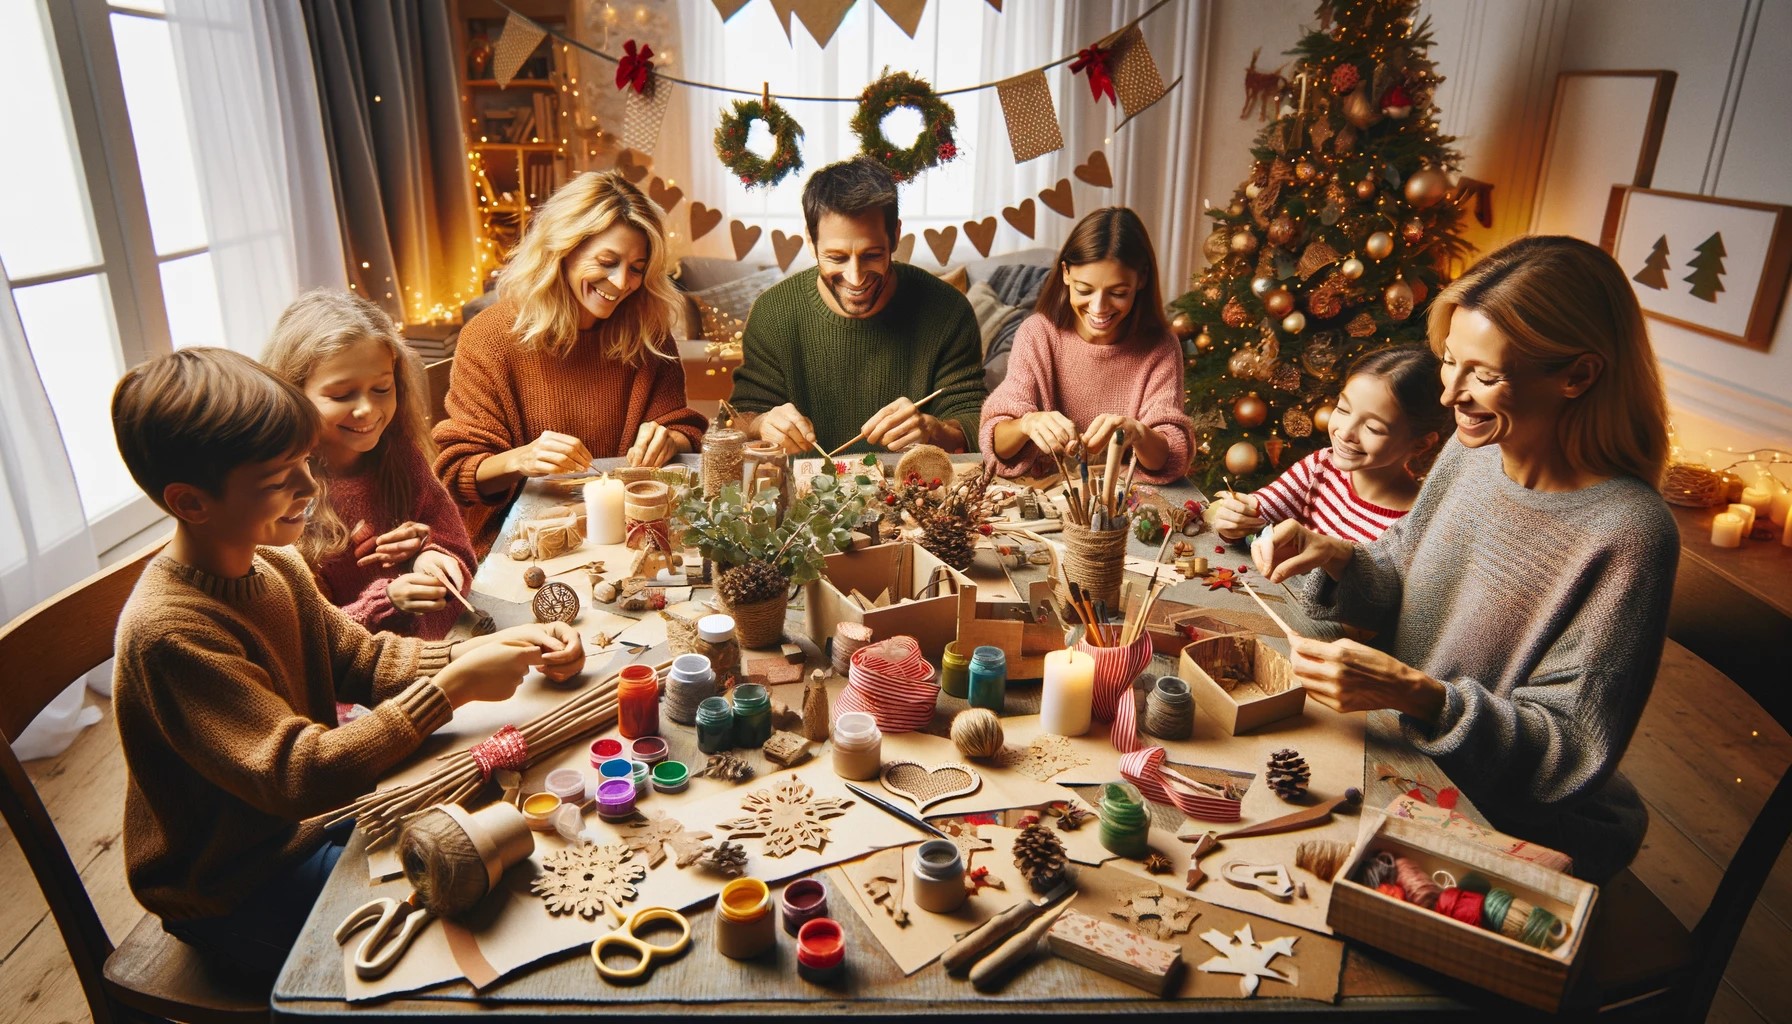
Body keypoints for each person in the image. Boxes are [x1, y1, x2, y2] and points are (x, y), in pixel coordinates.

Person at [110, 348, 585, 977]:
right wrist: (448, 691)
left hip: (315, 822)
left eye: (305, 464)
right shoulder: (172, 633)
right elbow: (296, 774)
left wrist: (492, 648)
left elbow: (362, 658)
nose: (311, 487)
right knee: (470, 930)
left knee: (501, 838)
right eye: (280, 478)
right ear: (191, 502)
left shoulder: (273, 563)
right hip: (238, 885)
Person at [1253, 236, 1677, 882]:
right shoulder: (1473, 452)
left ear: (1578, 376)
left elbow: (1565, 751)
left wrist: (1422, 696)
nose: (1450, 394)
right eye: (1449, 362)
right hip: (1392, 753)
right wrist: (1339, 558)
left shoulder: (1630, 533)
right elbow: (1399, 568)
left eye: (1484, 374)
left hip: (1497, 821)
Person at [433, 170, 707, 554]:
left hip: (630, 534)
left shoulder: (647, 332)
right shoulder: (490, 337)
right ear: (562, 249)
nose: (620, 282)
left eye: (636, 268)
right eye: (607, 261)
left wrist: (670, 438)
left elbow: (680, 427)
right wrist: (521, 459)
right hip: (523, 542)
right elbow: (457, 474)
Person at [729, 157, 987, 456]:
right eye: (836, 258)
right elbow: (738, 420)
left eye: (872, 255)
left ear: (895, 236)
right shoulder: (773, 312)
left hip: (915, 491)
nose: (856, 277)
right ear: (811, 243)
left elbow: (979, 422)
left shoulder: (948, 309)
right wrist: (761, 423)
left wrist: (936, 431)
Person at [263, 290, 478, 639]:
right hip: (375, 684)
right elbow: (307, 642)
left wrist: (432, 557)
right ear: (293, 392)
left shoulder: (399, 453)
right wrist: (388, 601)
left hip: (450, 644)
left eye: (382, 388)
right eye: (342, 395)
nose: (367, 410)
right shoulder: (282, 500)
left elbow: (454, 542)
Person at [980, 207, 1193, 483]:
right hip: (1043, 498)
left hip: (1122, 510)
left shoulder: (1160, 346)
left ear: (1141, 279)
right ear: (1066, 273)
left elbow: (1168, 457)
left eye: (1118, 293)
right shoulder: (1038, 334)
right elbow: (997, 446)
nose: (1099, 308)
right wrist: (1027, 423)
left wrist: (1139, 434)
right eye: (1084, 290)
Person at [1213, 346, 1449, 543]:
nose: (1345, 432)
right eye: (1343, 409)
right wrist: (1233, 522)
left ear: (1420, 444)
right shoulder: (1321, 465)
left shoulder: (1413, 528)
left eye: (1373, 428)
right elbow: (1256, 512)